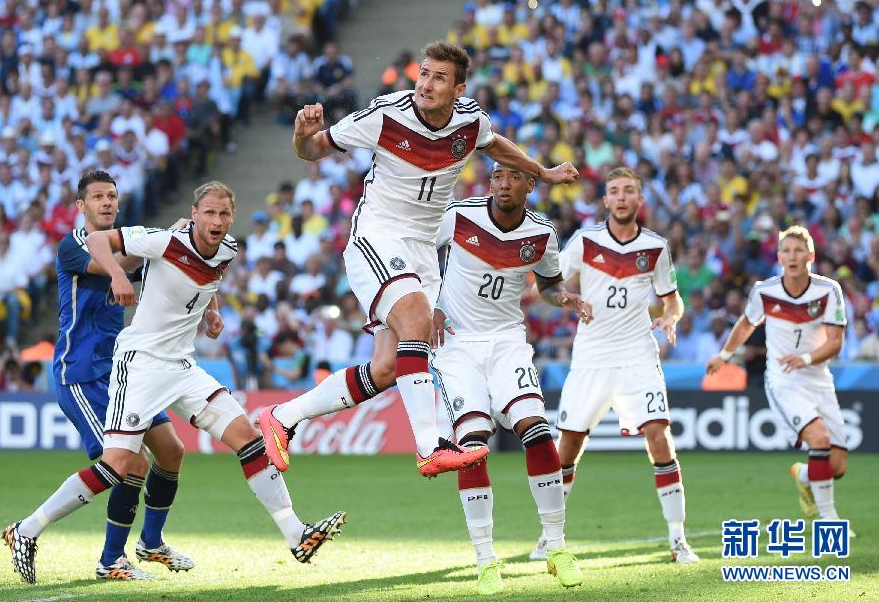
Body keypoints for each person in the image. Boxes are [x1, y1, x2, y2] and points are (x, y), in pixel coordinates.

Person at [259, 40, 579, 477]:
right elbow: (312, 150)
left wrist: (542, 172)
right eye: (424, 73)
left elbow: (494, 143)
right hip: (377, 237)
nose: (426, 84)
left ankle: (282, 418)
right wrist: (301, 134)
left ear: (459, 88)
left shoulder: (470, 122)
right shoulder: (386, 114)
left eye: (439, 78)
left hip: (423, 251)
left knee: (389, 367)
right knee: (415, 319)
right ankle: (430, 446)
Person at [3, 182, 345, 585]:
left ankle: (295, 535)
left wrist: (211, 312)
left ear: (231, 217)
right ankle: (28, 529)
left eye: (224, 214)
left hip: (182, 366)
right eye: (209, 213)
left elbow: (206, 278)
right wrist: (117, 274)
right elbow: (98, 241)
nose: (217, 221)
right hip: (139, 365)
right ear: (194, 213)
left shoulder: (229, 249)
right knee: (119, 465)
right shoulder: (163, 240)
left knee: (239, 438)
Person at [4, 171, 193, 583]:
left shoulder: (128, 243)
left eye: (112, 196)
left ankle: (151, 543)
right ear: (81, 206)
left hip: (121, 374)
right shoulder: (72, 244)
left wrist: (171, 251)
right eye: (97, 197)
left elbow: (159, 272)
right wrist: (164, 239)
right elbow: (117, 263)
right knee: (126, 463)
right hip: (81, 372)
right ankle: (31, 530)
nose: (106, 202)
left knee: (172, 450)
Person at [431, 163, 589, 594]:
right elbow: (419, 251)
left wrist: (567, 298)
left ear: (530, 185)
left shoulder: (541, 234)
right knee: (472, 447)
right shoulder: (460, 216)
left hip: (506, 343)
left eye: (514, 178)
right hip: (457, 345)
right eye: (498, 176)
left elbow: (548, 286)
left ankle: (556, 548)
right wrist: (431, 302)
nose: (503, 184)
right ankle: (486, 561)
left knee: (537, 432)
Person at [541, 167, 699, 564]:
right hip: (592, 356)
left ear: (639, 200)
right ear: (607, 200)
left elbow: (672, 297)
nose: (623, 197)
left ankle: (678, 538)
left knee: (659, 436)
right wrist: (566, 299)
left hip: (637, 355)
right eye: (615, 191)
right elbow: (549, 283)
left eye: (630, 190)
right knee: (568, 448)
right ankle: (551, 537)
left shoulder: (656, 248)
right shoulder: (585, 241)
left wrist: (670, 316)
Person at [706, 226, 853, 529]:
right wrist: (724, 355)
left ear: (810, 255)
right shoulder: (764, 291)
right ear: (779, 256)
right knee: (819, 439)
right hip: (784, 380)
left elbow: (836, 342)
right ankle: (829, 521)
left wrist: (807, 359)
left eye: (799, 250)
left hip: (818, 377)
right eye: (786, 250)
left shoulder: (828, 290)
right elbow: (746, 325)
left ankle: (803, 475)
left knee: (836, 467)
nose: (792, 256)